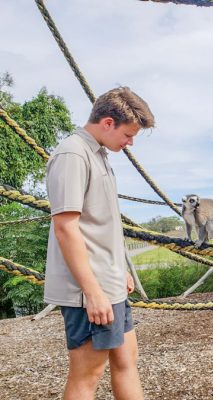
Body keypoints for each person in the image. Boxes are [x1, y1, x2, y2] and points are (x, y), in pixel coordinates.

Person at [44, 87, 155, 400]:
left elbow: (99, 224)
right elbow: (66, 227)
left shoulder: (99, 154)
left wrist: (118, 270)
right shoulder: (72, 154)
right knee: (87, 375)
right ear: (108, 123)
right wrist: (93, 292)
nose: (130, 142)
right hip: (88, 290)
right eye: (128, 134)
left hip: (109, 282)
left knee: (126, 360)